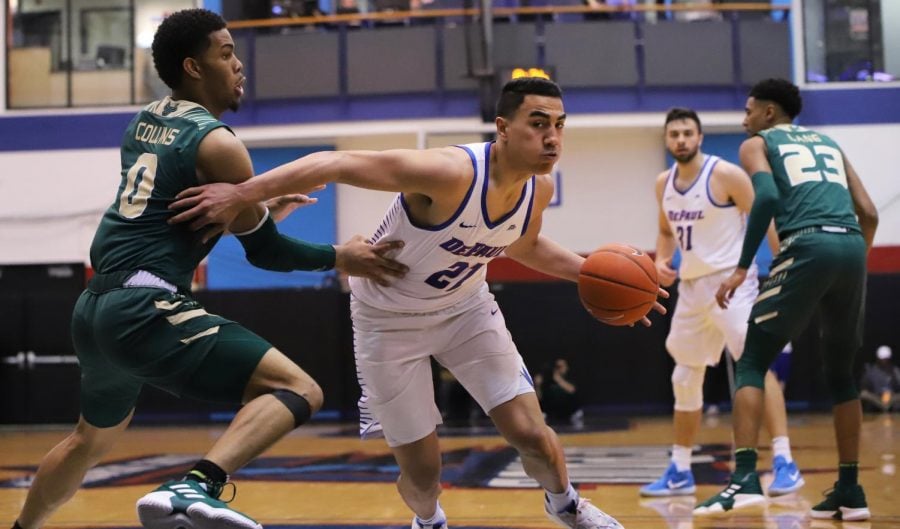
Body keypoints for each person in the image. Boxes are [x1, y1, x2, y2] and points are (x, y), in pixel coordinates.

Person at [167, 76, 669, 529]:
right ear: (503, 128)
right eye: (538, 124)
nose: (553, 137)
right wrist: (240, 195)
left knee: (532, 434)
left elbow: (523, 244)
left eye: (559, 125)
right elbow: (334, 163)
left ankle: (567, 506)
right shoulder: (448, 172)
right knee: (425, 473)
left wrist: (595, 273)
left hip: (466, 309)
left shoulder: (538, 188)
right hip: (387, 321)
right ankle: (428, 521)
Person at [9, 9, 407, 529]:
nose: (239, 65)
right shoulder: (221, 145)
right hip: (144, 306)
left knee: (88, 441)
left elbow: (173, 213)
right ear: (194, 68)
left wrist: (255, 209)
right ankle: (195, 486)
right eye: (225, 54)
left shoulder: (145, 119)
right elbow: (266, 253)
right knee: (297, 389)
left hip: (94, 308)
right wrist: (341, 256)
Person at [694, 78, 878, 520]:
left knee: (754, 359)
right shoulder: (828, 143)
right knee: (842, 376)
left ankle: (743, 480)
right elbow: (869, 213)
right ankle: (851, 491)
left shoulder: (758, 144)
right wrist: (848, 260)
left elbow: (769, 197)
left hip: (807, 242)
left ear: (769, 113)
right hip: (851, 245)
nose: (744, 119)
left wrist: (742, 267)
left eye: (749, 110)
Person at [641, 107, 803, 499]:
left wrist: (781, 267)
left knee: (755, 364)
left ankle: (784, 461)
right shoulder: (663, 183)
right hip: (693, 287)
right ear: (667, 140)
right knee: (684, 376)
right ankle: (680, 469)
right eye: (674, 134)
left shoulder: (727, 175)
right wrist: (661, 261)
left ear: (700, 138)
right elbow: (665, 231)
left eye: (687, 133)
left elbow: (767, 218)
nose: (680, 139)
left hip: (734, 281)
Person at [540, 358, 584, 426]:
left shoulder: (570, 377)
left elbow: (571, 390)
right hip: (553, 413)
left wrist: (558, 379)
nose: (560, 369)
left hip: (570, 412)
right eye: (557, 367)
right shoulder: (548, 381)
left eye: (562, 367)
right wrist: (537, 385)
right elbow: (540, 397)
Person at [859, 345, 900, 412]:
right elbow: (864, 390)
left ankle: (886, 406)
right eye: (882, 358)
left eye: (885, 358)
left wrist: (892, 397)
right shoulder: (870, 371)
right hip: (877, 398)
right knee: (864, 394)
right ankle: (883, 406)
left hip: (892, 398)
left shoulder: (895, 371)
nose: (884, 360)